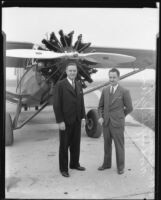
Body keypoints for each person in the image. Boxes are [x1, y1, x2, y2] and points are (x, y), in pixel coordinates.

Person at [53, 62, 86, 177]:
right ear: (66, 72)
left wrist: (83, 118)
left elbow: (81, 102)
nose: (72, 73)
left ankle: (74, 164)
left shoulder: (78, 84)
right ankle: (63, 169)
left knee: (76, 144)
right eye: (70, 71)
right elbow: (56, 104)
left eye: (74, 71)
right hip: (65, 122)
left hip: (77, 120)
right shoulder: (60, 85)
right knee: (64, 146)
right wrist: (60, 121)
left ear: (76, 72)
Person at [98, 68, 133, 175]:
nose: (112, 79)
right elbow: (100, 106)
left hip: (117, 123)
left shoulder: (124, 91)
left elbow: (129, 108)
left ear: (118, 78)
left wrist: (121, 116)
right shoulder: (105, 90)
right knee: (106, 145)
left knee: (119, 146)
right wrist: (100, 116)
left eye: (114, 77)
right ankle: (106, 164)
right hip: (106, 123)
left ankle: (120, 167)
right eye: (110, 77)